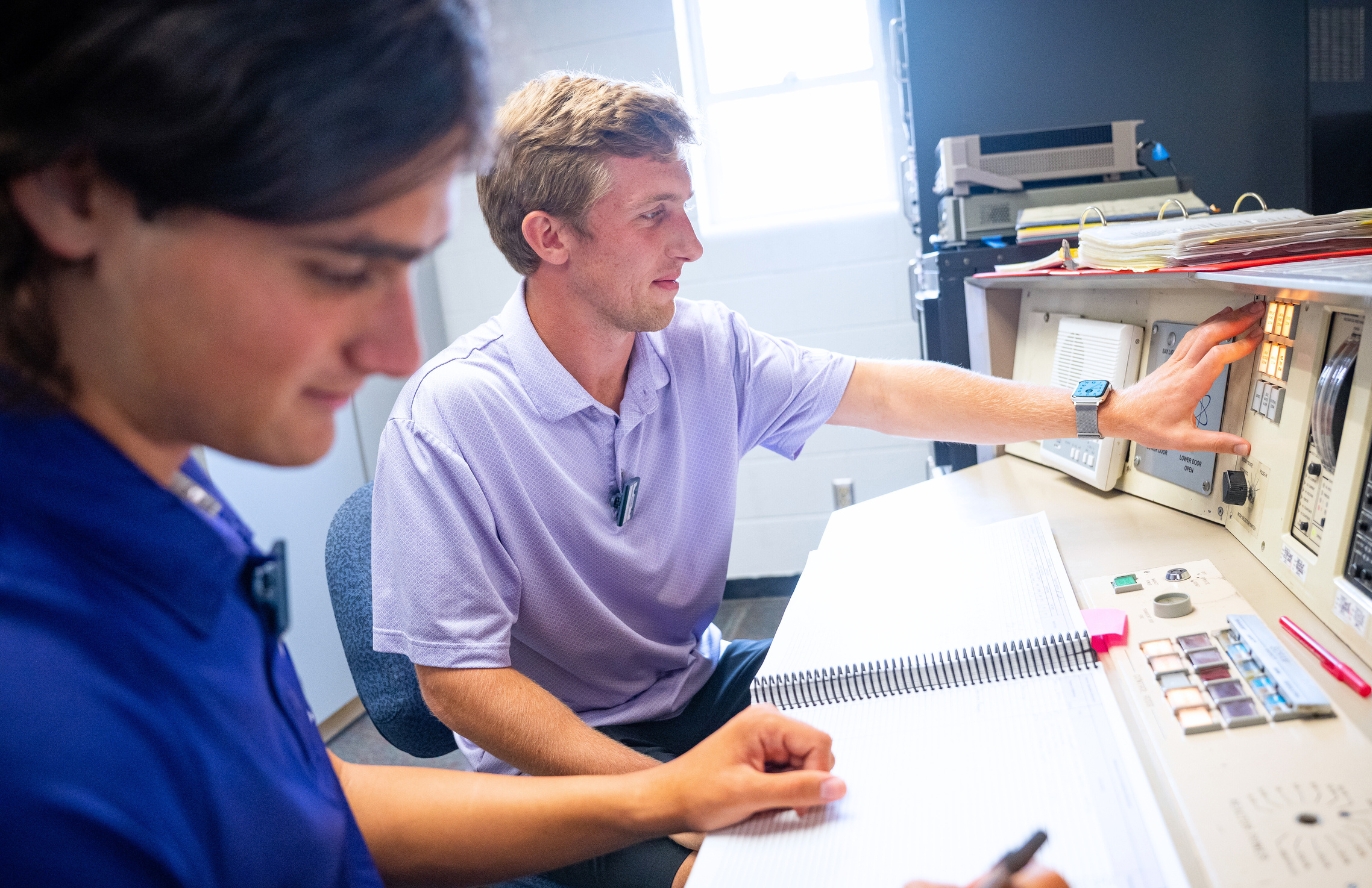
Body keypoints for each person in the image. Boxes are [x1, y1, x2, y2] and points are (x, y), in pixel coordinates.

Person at [0, 3, 878, 885]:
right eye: (340, 269)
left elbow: (305, 800)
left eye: (403, 268)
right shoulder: (38, 704)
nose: (395, 351)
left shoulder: (153, 483)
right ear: (78, 195)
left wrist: (663, 798)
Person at [371, 72, 1265, 887]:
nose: (691, 242)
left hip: (696, 686)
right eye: (655, 215)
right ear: (549, 236)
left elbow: (882, 392)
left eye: (685, 206)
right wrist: (670, 793)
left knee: (923, 711)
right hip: (562, 764)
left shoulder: (701, 345)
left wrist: (1104, 412)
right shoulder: (449, 418)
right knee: (751, 877)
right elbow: (461, 685)